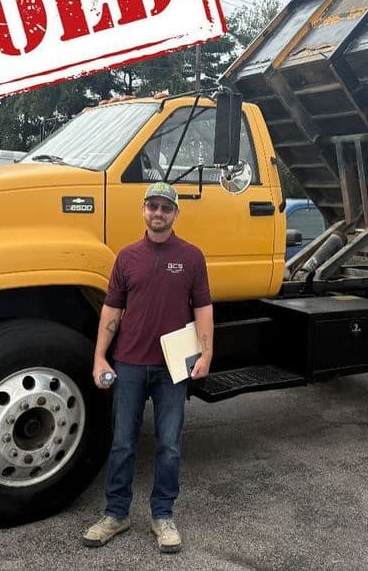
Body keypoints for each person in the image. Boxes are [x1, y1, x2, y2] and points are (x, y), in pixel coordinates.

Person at [82, 181, 214, 554]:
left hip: (172, 369)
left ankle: (163, 515)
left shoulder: (191, 257)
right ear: (143, 209)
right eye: (153, 206)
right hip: (129, 365)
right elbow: (112, 310)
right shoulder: (126, 257)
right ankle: (116, 514)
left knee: (169, 445)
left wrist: (205, 355)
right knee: (122, 443)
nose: (159, 213)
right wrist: (99, 356)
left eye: (166, 207)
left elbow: (203, 309)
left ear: (175, 213)